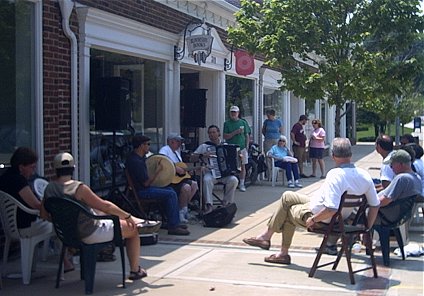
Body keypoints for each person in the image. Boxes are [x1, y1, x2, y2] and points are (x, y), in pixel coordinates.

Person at [242, 138, 380, 264]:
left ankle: (280, 251)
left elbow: (331, 209)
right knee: (287, 196)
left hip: (322, 218)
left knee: (288, 211)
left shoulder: (336, 175)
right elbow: (375, 205)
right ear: (350, 155)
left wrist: (313, 220)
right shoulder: (364, 175)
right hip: (332, 213)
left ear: (333, 155)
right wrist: (367, 227)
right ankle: (266, 237)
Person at [41, 152, 160, 280]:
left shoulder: (49, 189)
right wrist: (127, 216)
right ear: (73, 168)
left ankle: (139, 221)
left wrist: (63, 221)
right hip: (89, 233)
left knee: (102, 213)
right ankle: (135, 270)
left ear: (55, 169)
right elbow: (105, 205)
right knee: (132, 230)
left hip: (66, 235)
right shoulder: (79, 188)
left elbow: (43, 215)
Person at [126, 135, 189, 235]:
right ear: (141, 146)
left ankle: (173, 221)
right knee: (170, 194)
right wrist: (158, 171)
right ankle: (173, 226)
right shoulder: (136, 162)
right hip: (142, 191)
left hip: (145, 188)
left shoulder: (139, 158)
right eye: (147, 144)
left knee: (170, 189)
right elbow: (146, 183)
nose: (149, 147)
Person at [191, 125, 239, 214]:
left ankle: (226, 203)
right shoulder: (204, 146)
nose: (212, 134)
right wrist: (203, 155)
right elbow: (192, 158)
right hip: (210, 172)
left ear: (219, 133)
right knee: (206, 180)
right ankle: (209, 205)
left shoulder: (226, 146)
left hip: (224, 174)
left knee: (234, 180)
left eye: (214, 132)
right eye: (210, 133)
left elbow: (234, 160)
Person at [159, 133, 198, 223]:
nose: (180, 143)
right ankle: (180, 213)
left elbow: (181, 167)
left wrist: (187, 171)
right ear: (171, 141)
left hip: (177, 180)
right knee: (186, 188)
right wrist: (175, 168)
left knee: (194, 185)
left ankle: (183, 209)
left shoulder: (176, 153)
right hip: (168, 180)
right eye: (178, 141)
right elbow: (162, 160)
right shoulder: (165, 150)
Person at [375, 149, 422, 223]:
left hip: (385, 215)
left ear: (401, 164)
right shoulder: (417, 178)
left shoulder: (402, 178)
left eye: (392, 164)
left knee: (355, 215)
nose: (390, 167)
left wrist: (368, 204)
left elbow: (385, 200)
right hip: (398, 215)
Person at [223, 105, 251, 192]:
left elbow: (247, 135)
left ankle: (242, 183)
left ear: (238, 113)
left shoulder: (243, 122)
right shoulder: (227, 123)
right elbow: (225, 136)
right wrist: (235, 132)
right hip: (231, 148)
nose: (233, 114)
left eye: (235, 112)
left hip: (241, 147)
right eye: (232, 112)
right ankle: (231, 183)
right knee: (231, 166)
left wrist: (247, 146)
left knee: (242, 166)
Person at [262, 109, 283, 179]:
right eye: (267, 115)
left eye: (269, 115)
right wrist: (266, 135)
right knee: (268, 156)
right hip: (268, 140)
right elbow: (263, 130)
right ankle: (269, 174)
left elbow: (281, 130)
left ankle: (275, 175)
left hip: (276, 140)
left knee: (276, 156)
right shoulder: (266, 122)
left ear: (273, 115)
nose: (268, 117)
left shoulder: (278, 122)